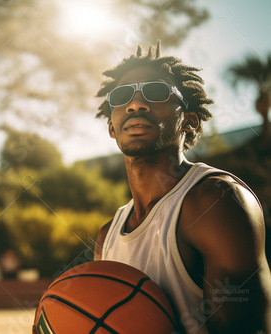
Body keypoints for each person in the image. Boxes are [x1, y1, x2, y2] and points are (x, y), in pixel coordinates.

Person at [93, 41, 271, 334]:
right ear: (112, 127)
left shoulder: (215, 201)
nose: (136, 103)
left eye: (156, 91)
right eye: (122, 95)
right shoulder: (106, 236)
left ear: (188, 121)